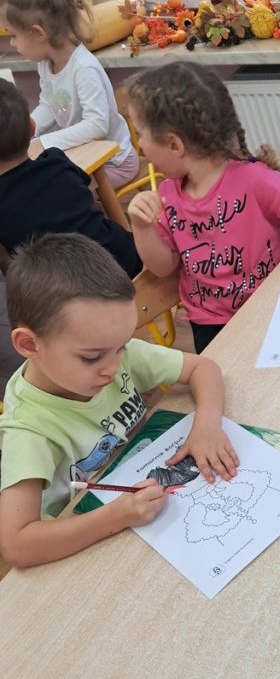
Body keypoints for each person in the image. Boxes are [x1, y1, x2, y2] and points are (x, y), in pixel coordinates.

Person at [0, 233, 239, 568]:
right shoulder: (28, 431)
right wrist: (117, 517)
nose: (113, 368)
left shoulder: (110, 351)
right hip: (82, 546)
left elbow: (204, 368)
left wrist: (207, 427)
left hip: (141, 505)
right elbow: (17, 546)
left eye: (123, 345)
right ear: (29, 345)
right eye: (91, 357)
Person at [125, 61, 280, 353]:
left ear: (174, 145)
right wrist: (142, 228)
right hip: (211, 325)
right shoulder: (167, 196)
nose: (139, 145)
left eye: (140, 133)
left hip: (274, 305)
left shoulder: (256, 180)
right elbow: (163, 267)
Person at [0, 0, 138, 188]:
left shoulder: (83, 68)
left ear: (37, 33)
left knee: (58, 192)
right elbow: (49, 105)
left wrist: (43, 142)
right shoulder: (45, 63)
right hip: (86, 154)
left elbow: (97, 125)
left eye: (13, 35)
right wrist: (26, 130)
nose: (12, 43)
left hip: (115, 162)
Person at [0, 79, 141, 277]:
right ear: (32, 127)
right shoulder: (55, 160)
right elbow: (88, 188)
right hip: (122, 260)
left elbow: (7, 265)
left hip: (64, 289)